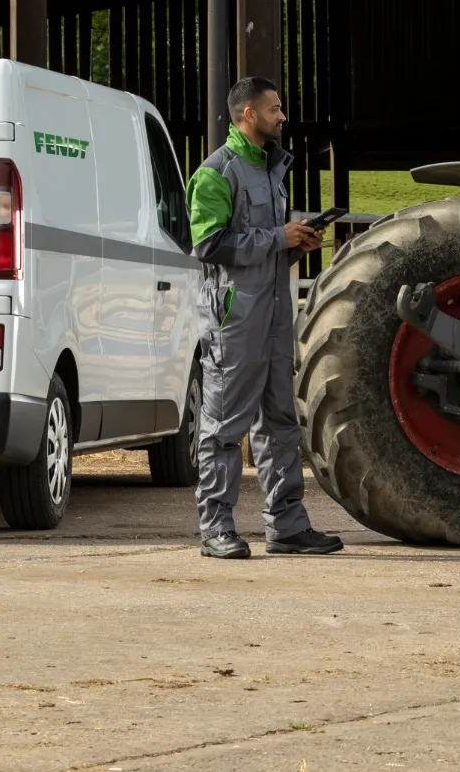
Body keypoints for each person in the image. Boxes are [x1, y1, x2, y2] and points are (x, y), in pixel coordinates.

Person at [185, 75, 344, 559]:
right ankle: (215, 528)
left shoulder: (271, 170)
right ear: (247, 114)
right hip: (235, 323)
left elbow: (264, 249)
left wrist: (297, 243)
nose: (281, 115)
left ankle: (288, 527)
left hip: (274, 320)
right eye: (273, 109)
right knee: (224, 426)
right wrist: (280, 237)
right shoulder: (216, 173)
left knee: (280, 424)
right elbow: (210, 245)